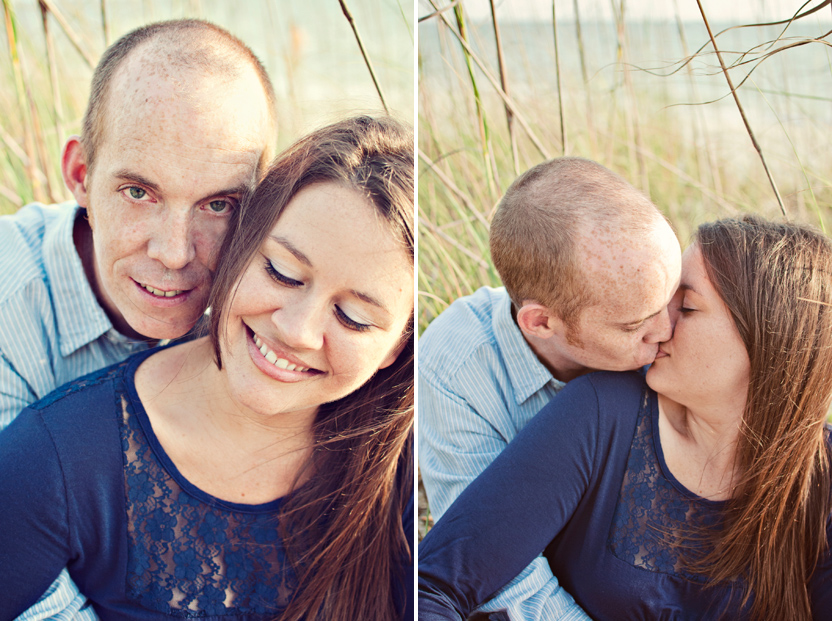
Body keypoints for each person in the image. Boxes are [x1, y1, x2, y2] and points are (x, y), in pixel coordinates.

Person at [0, 115, 414, 620]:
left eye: (353, 318)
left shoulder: (400, 465)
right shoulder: (53, 460)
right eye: (281, 272)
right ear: (238, 245)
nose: (297, 330)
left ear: (397, 346)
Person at [419, 215, 832, 620]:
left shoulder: (821, 473)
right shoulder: (603, 411)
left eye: (685, 306)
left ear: (769, 343)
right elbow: (434, 587)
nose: (658, 321)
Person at [0, 19, 275, 619]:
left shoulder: (279, 312)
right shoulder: (8, 301)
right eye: (138, 193)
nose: (175, 253)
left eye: (218, 204)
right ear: (79, 176)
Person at [419, 157, 681, 618]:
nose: (665, 331)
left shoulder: (656, 314)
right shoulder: (456, 370)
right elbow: (499, 572)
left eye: (673, 300)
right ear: (541, 322)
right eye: (635, 324)